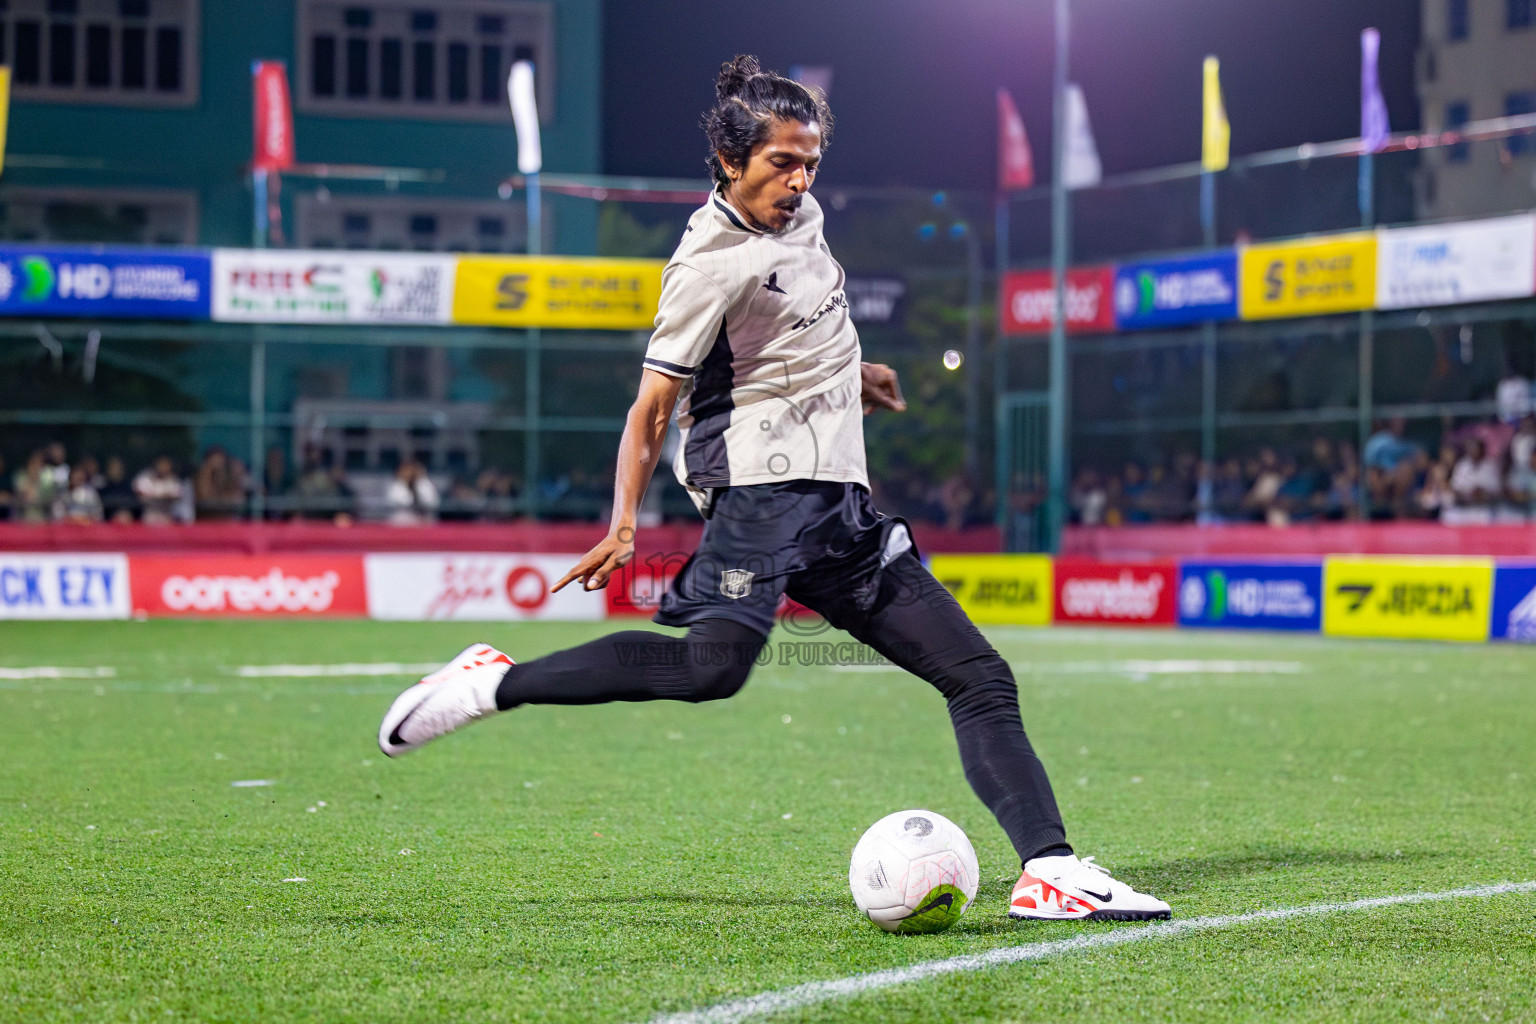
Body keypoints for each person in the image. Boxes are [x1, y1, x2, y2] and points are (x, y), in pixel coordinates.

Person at [378, 56, 1169, 924]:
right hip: (761, 492)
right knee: (708, 670)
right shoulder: (708, 264)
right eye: (781, 164)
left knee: (980, 675)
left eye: (811, 162)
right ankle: (495, 682)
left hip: (838, 503)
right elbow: (651, 407)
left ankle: (1049, 871)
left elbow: (792, 328)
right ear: (728, 162)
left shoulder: (804, 214)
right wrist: (622, 523)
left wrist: (848, 375)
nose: (799, 181)